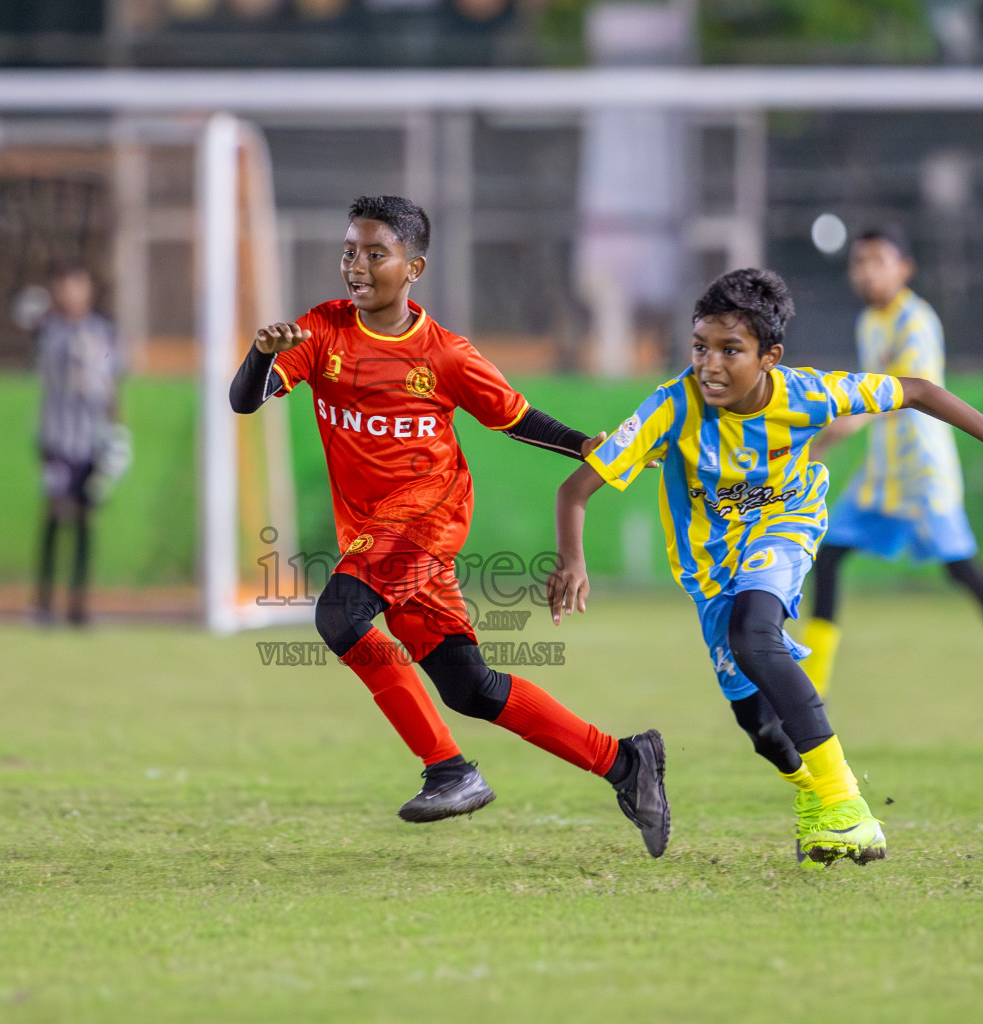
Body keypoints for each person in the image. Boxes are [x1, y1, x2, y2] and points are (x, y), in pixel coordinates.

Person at [548, 269, 983, 868]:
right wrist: (573, 558)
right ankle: (816, 803)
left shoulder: (807, 394)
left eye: (731, 350)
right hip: (707, 568)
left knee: (755, 633)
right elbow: (576, 488)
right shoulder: (672, 406)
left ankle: (848, 807)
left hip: (786, 527)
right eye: (700, 347)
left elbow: (919, 390)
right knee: (760, 727)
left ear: (770, 357)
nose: (710, 365)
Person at [229, 195, 670, 857]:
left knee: (339, 615)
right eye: (350, 250)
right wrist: (262, 355)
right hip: (376, 537)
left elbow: (514, 416)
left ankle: (451, 770)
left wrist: (585, 446)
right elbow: (244, 399)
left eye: (375, 253)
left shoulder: (445, 355)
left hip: (427, 521)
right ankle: (624, 763)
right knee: (471, 687)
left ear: (414, 267)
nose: (356, 264)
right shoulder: (321, 332)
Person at [801, 227, 983, 720]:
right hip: (882, 473)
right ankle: (811, 692)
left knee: (965, 571)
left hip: (921, 475)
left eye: (878, 259)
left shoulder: (915, 321)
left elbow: (900, 396)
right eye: (859, 261)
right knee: (828, 557)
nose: (866, 270)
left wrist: (825, 438)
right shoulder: (870, 322)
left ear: (904, 268)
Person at [34, 262, 123, 628]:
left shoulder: (103, 332)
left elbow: (113, 383)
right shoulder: (50, 331)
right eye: (65, 287)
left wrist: (117, 435)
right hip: (57, 439)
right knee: (57, 511)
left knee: (86, 516)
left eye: (78, 286)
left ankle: (78, 604)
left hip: (92, 441)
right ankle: (43, 602)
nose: (72, 293)